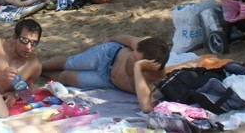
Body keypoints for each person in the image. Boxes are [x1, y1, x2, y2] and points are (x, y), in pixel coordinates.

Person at [41, 35, 170, 113]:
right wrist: (110, 39)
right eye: (134, 55)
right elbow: (127, 39)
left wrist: (137, 68)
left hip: (107, 80)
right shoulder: (144, 44)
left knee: (65, 77)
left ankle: (42, 72)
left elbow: (146, 107)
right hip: (108, 55)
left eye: (136, 60)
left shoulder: (152, 79)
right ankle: (37, 67)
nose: (132, 58)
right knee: (69, 63)